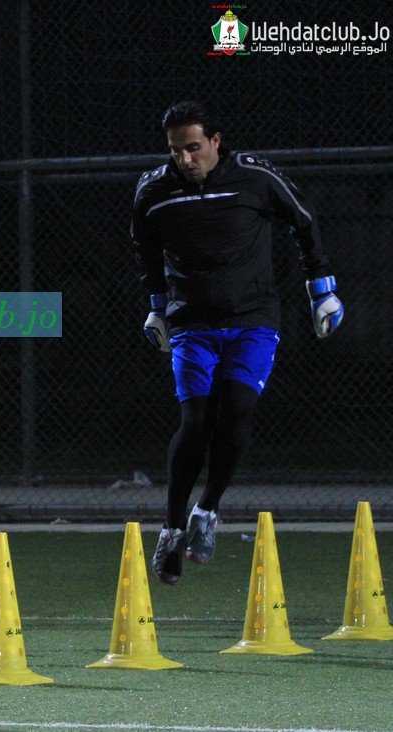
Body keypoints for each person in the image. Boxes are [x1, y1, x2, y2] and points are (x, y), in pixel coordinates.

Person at [131, 100, 344, 584]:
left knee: (238, 409)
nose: (185, 158)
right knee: (195, 421)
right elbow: (145, 249)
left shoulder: (255, 177)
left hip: (253, 320)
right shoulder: (153, 190)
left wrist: (322, 289)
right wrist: (157, 305)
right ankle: (171, 528)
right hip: (192, 323)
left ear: (215, 141)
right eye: (175, 150)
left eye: (193, 147)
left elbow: (304, 222)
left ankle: (206, 511)